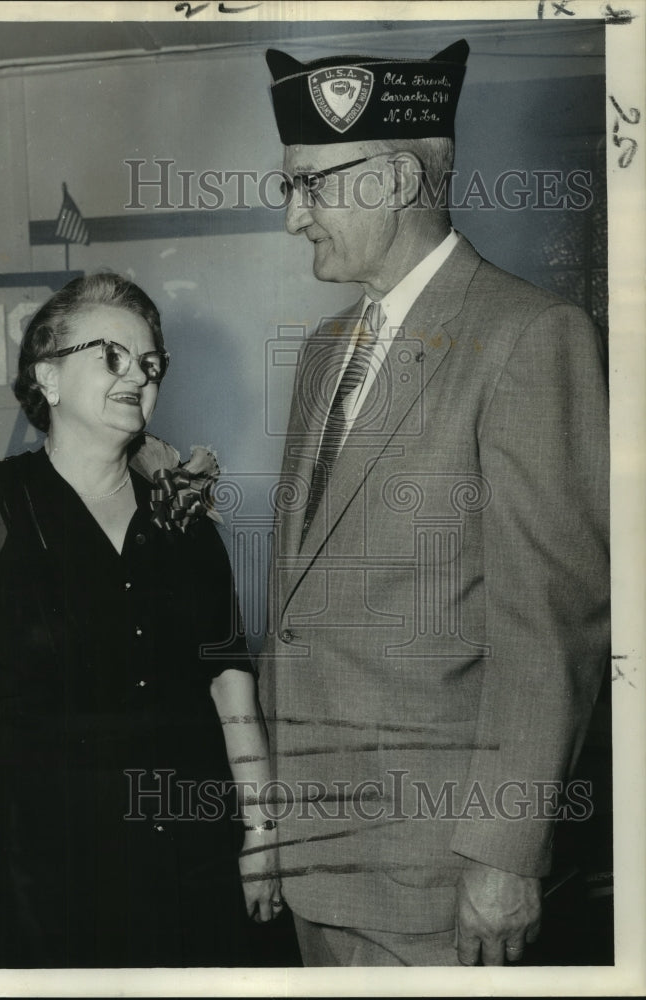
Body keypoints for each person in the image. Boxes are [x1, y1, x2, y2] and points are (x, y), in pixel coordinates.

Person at [258, 41, 610, 966]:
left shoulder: (532, 339)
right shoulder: (322, 353)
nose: (294, 217)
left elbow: (552, 629)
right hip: (316, 863)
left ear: (394, 179)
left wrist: (505, 856)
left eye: (310, 185)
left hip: (436, 879)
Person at [0, 272, 281, 969]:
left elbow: (231, 690)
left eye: (151, 364)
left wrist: (261, 833)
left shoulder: (189, 529)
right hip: (37, 869)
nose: (139, 376)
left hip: (186, 859)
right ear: (49, 376)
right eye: (112, 355)